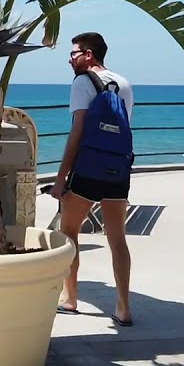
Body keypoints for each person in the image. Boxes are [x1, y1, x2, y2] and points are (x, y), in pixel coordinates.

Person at [52, 32, 136, 326]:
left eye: (74, 53)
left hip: (88, 169)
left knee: (69, 231)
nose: (70, 59)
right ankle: (123, 307)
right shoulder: (124, 83)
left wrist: (62, 178)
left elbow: (78, 133)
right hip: (118, 170)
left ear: (89, 55)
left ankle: (71, 299)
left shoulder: (82, 82)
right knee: (117, 239)